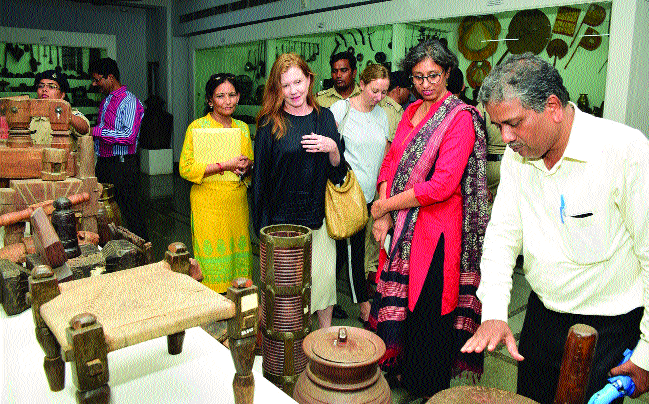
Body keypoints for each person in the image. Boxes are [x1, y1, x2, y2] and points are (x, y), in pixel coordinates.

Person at [461, 53, 649, 404]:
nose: (506, 137)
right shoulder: (520, 155)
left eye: (514, 123)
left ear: (553, 108)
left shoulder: (624, 151)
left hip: (606, 326)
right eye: (498, 126)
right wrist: (495, 312)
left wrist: (647, 354)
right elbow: (502, 236)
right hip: (543, 317)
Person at [368, 39, 489, 400]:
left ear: (448, 72)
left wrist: (385, 207)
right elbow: (391, 161)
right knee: (404, 307)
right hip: (403, 226)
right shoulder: (410, 111)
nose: (426, 84)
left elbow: (442, 185)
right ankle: (403, 375)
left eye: (433, 75)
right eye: (418, 77)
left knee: (429, 312)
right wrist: (383, 210)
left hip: (437, 232)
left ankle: (428, 389)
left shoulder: (460, 118)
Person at [251, 53, 347, 329]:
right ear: (277, 88)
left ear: (309, 80)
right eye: (285, 85)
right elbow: (260, 180)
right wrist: (261, 229)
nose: (293, 91)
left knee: (324, 285)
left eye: (298, 82)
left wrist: (333, 148)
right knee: (286, 293)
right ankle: (286, 345)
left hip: (318, 218)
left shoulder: (324, 118)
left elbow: (338, 174)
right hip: (281, 224)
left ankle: (324, 341)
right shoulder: (269, 122)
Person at [179, 73, 253, 294]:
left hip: (236, 203)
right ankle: (212, 300)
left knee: (238, 268)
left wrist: (247, 166)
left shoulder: (243, 128)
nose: (227, 101)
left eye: (232, 95)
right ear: (210, 100)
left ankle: (237, 297)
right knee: (211, 265)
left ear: (238, 97)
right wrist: (224, 165)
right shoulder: (197, 128)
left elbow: (249, 165)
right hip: (208, 205)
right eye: (220, 96)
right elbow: (186, 168)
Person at [329, 63, 390, 326]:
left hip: (370, 194)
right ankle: (364, 305)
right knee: (353, 249)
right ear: (362, 84)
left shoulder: (382, 115)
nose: (379, 97)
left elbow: (384, 155)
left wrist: (383, 194)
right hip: (346, 194)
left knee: (341, 252)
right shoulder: (341, 110)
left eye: (384, 92)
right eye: (374, 90)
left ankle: (326, 300)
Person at [89, 57, 148, 241]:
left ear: (110, 77)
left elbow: (128, 136)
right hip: (104, 164)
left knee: (131, 213)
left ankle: (144, 251)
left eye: (97, 80)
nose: (94, 84)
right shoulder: (106, 101)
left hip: (122, 167)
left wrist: (96, 131)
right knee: (103, 211)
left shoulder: (129, 102)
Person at [30, 69, 90, 146]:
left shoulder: (70, 113)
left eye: (51, 87)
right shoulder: (30, 114)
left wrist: (64, 114)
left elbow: (84, 129)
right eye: (41, 86)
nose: (44, 89)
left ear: (62, 95)